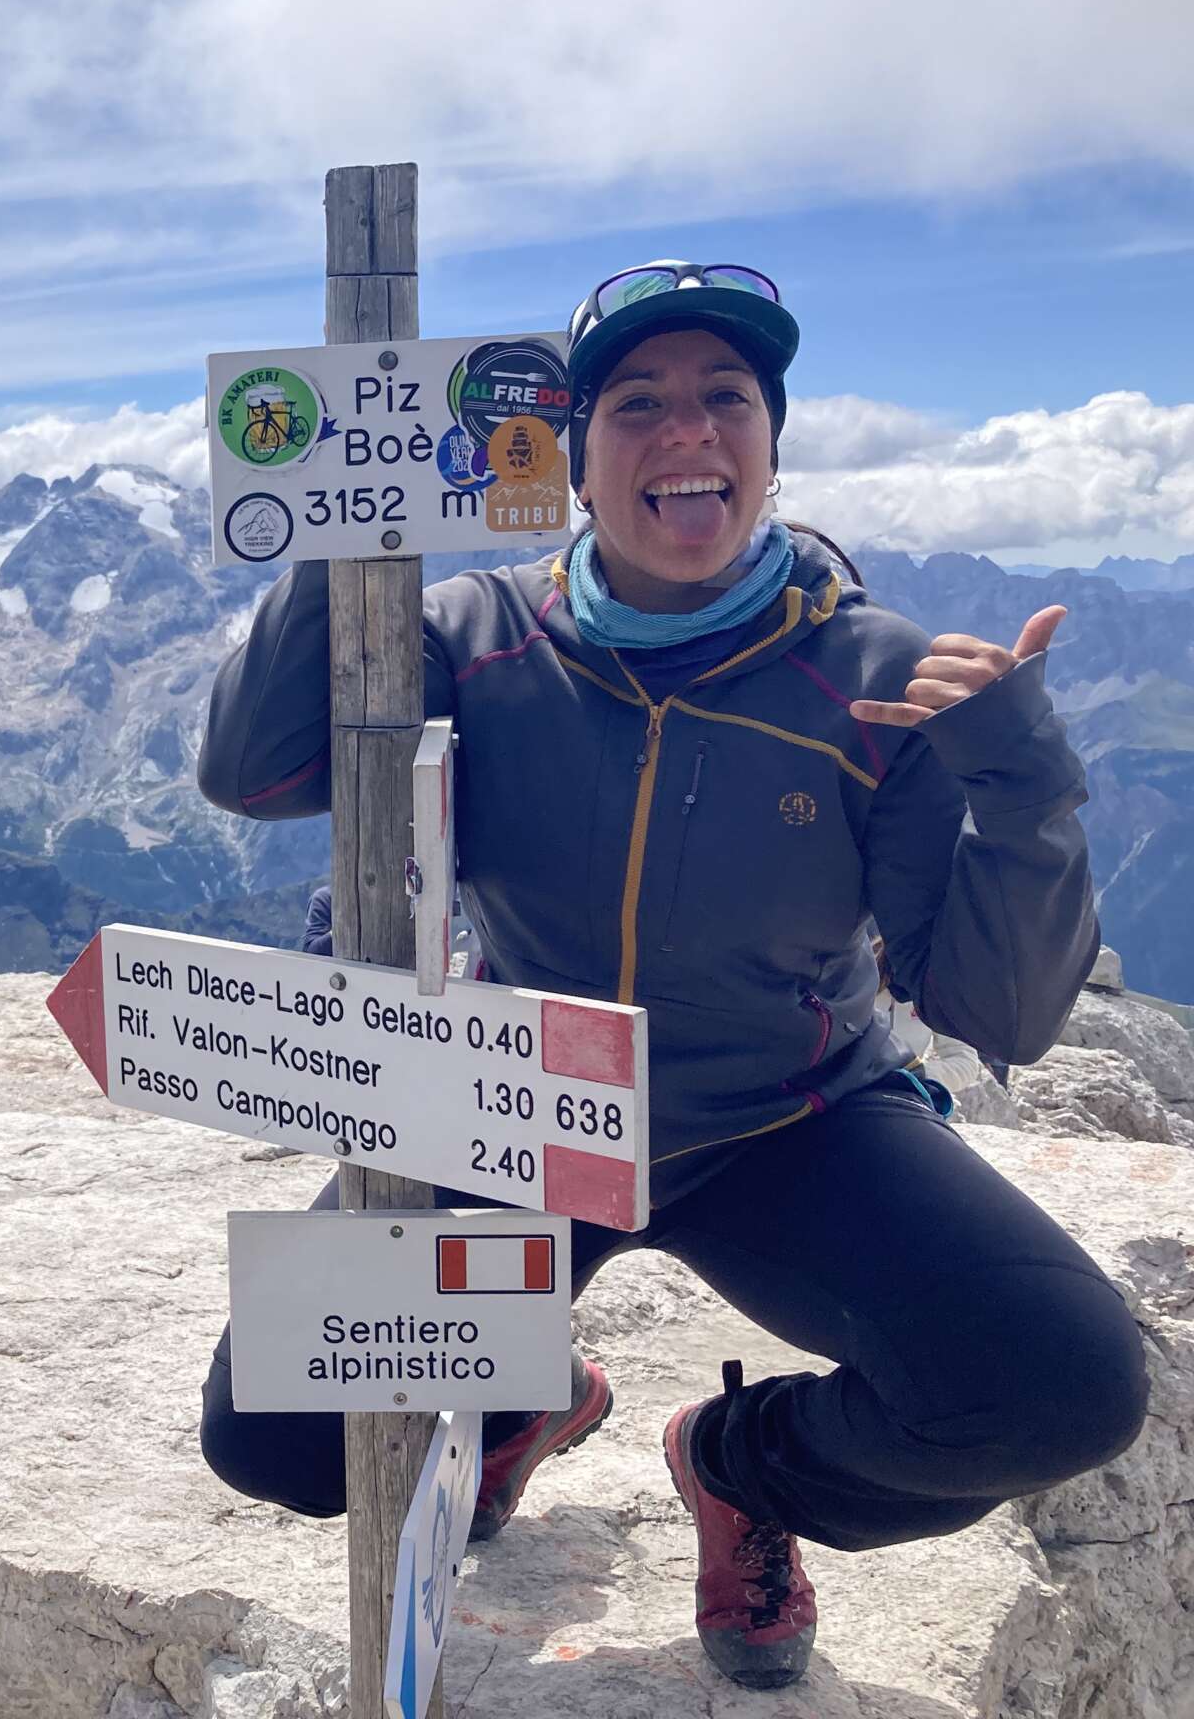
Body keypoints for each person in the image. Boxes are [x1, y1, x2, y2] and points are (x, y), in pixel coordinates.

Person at [193, 260, 1149, 1690]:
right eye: (637, 403)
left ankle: (740, 1467)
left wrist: (1024, 797)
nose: (688, 430)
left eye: (729, 400)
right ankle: (523, 1390)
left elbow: (997, 1013)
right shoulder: (469, 637)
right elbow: (252, 773)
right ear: (569, 459)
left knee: (1067, 1388)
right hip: (517, 1112)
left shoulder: (870, 674)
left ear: (771, 445)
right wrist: (345, 509)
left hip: (786, 1125)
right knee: (273, 1442)